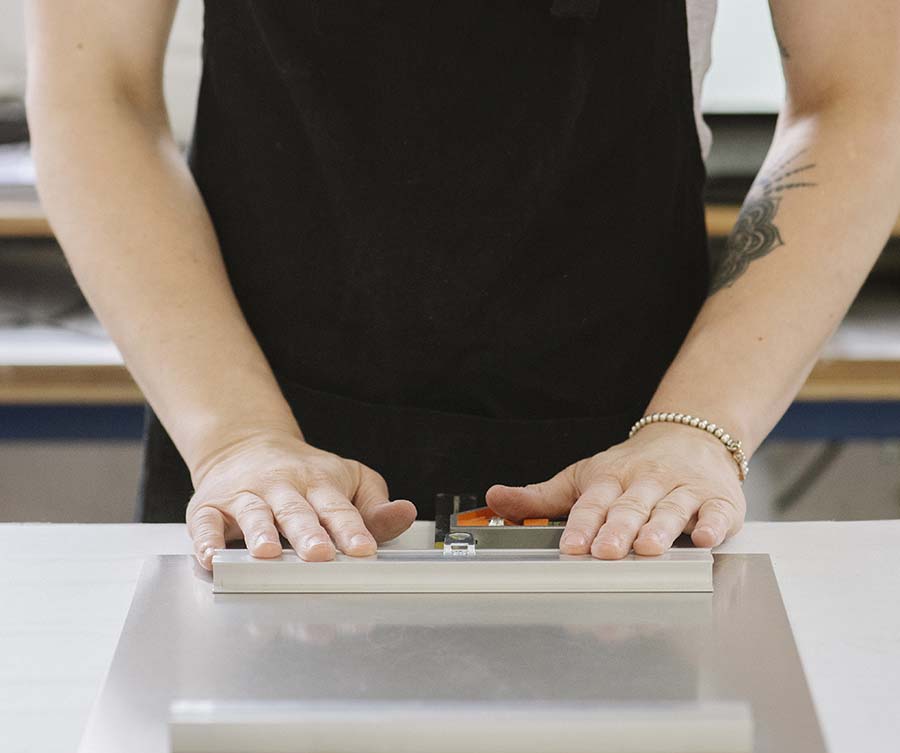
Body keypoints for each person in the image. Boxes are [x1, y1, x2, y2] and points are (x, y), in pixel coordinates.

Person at [25, 1, 900, 568]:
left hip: (627, 451)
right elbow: (95, 88)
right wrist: (234, 439)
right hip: (253, 443)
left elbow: (858, 94)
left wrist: (695, 430)